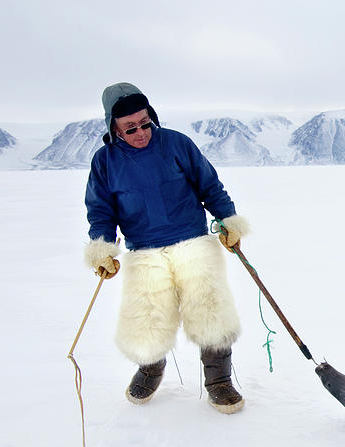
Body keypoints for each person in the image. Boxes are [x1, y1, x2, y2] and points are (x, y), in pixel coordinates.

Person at [83, 82, 250, 414]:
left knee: (210, 312)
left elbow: (210, 185)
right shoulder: (105, 162)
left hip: (193, 242)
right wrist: (103, 249)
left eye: (145, 123)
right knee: (147, 317)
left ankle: (219, 381)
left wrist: (228, 220)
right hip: (144, 251)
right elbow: (101, 210)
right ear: (112, 127)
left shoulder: (176, 144)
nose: (141, 132)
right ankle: (150, 368)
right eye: (130, 128)